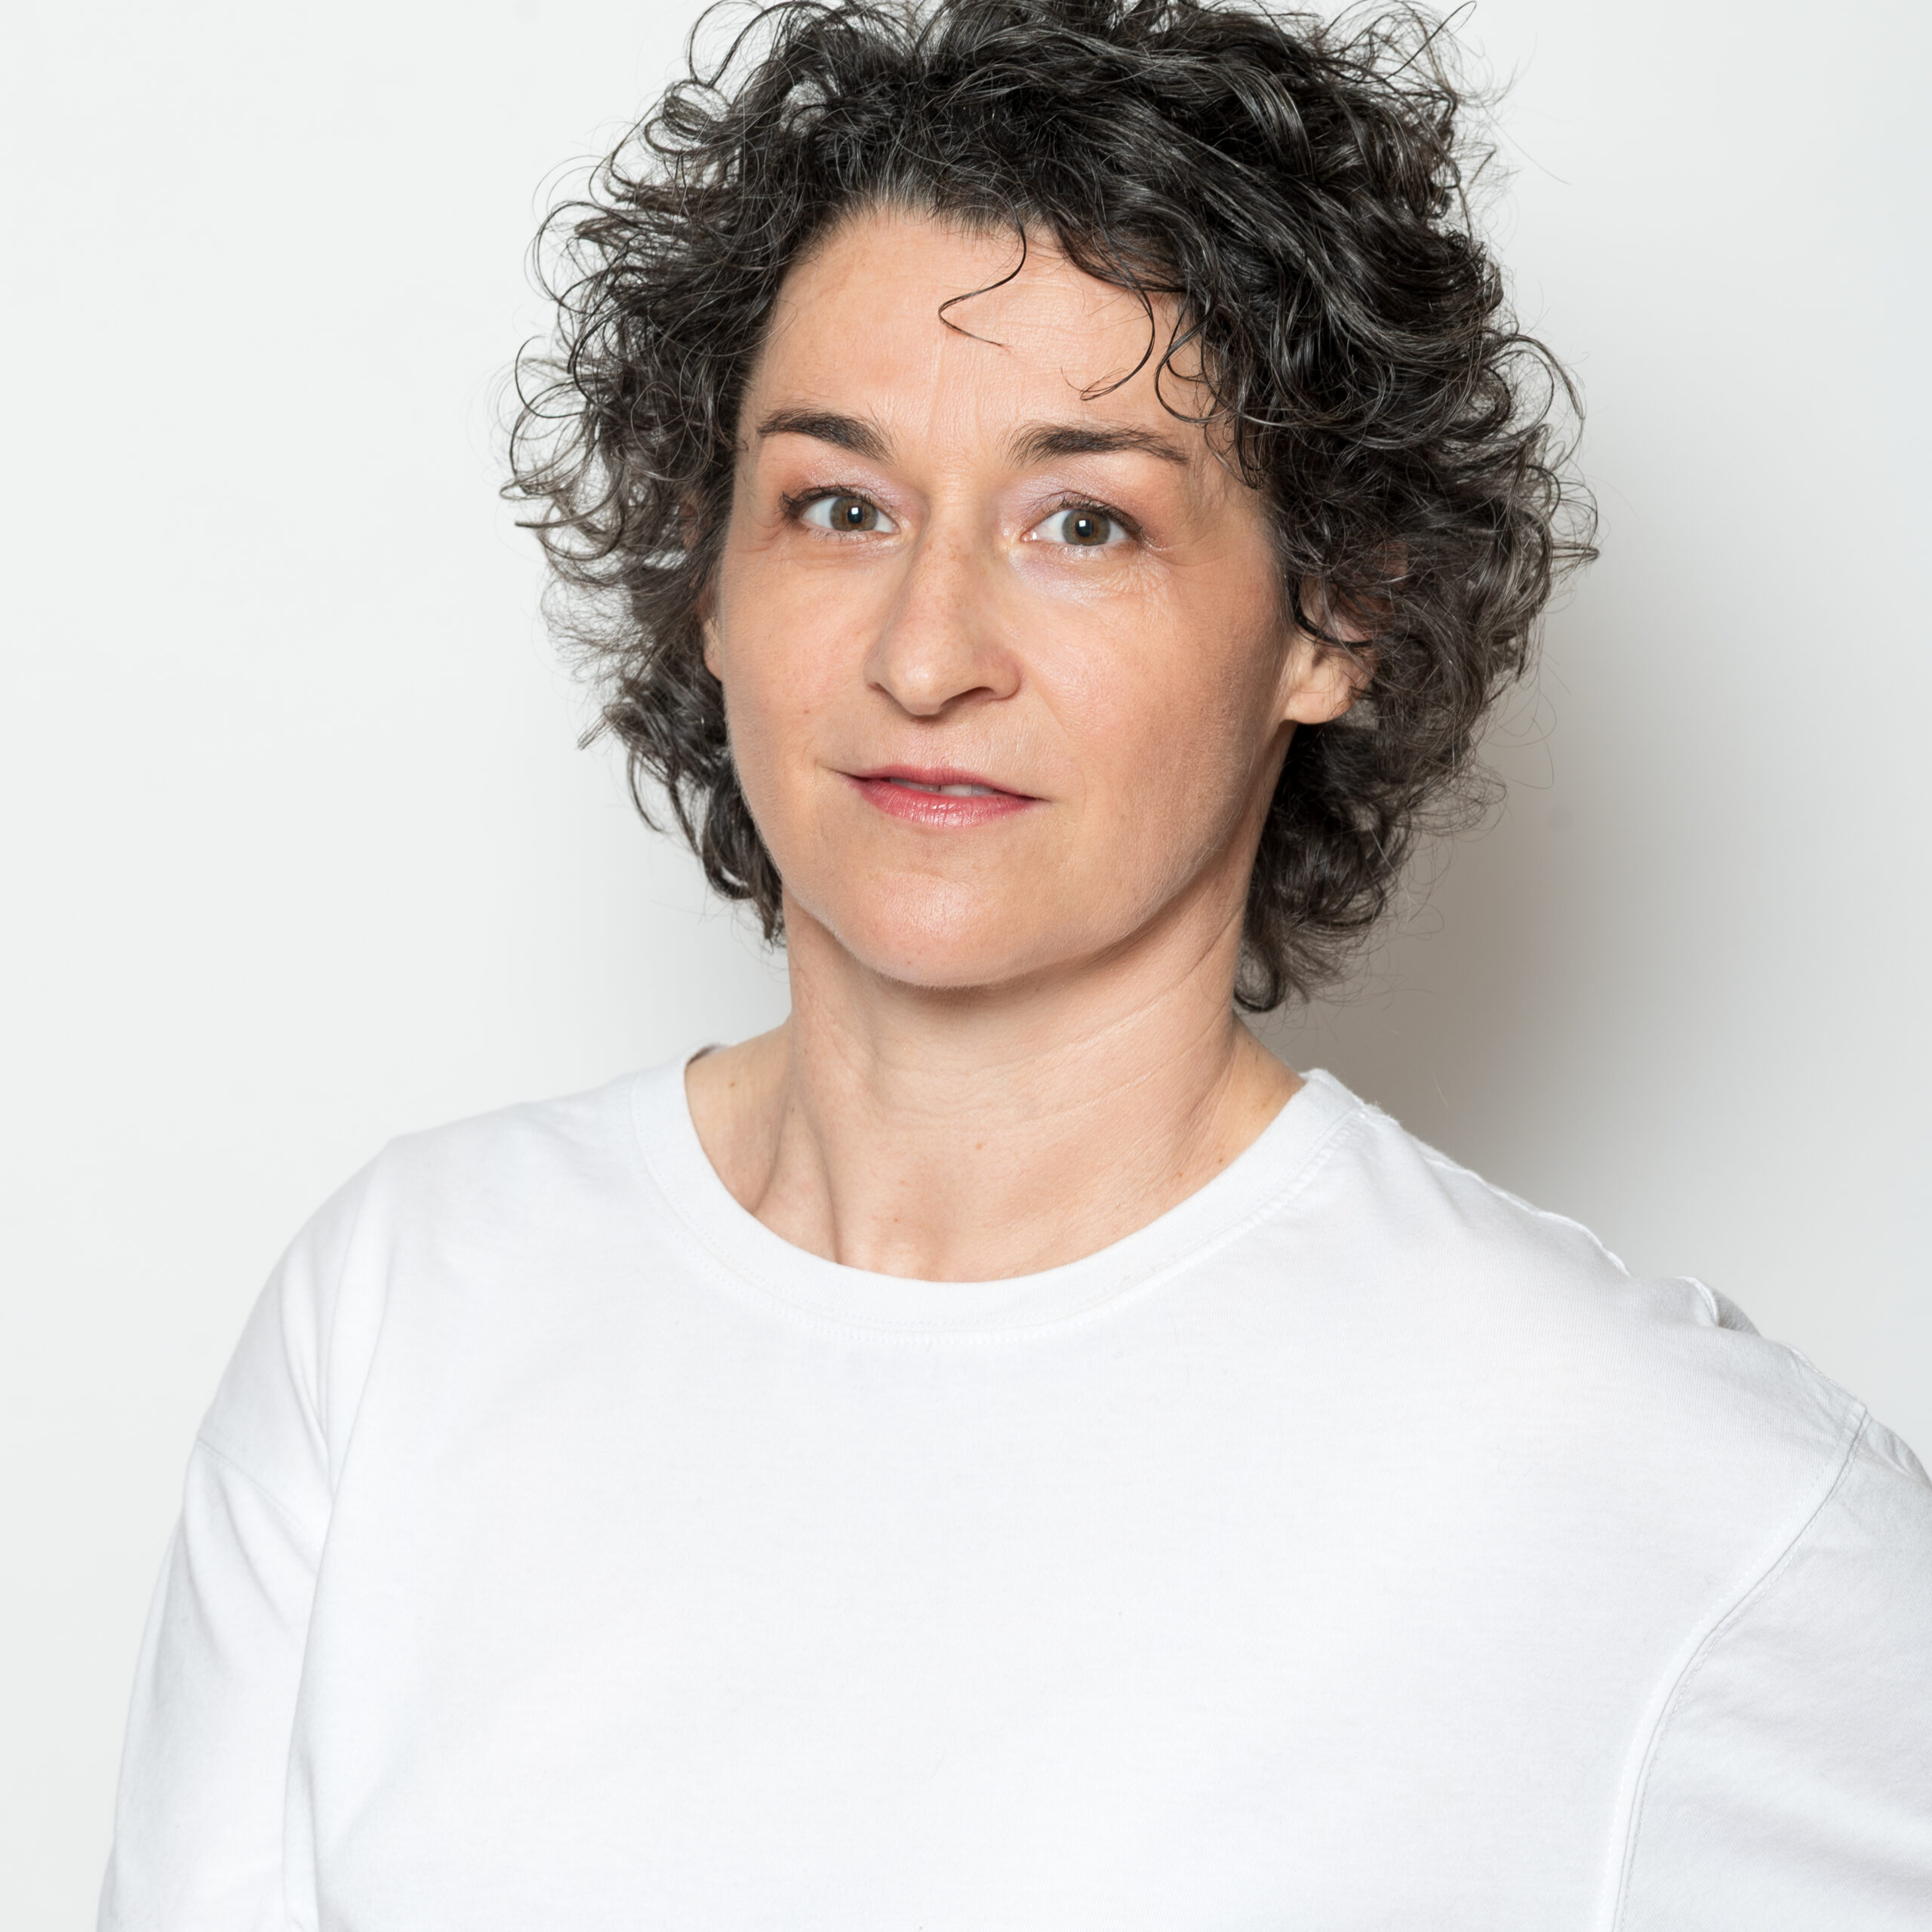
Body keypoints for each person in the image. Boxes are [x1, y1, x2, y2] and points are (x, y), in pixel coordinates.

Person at [98, 1, 1932, 1926]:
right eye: (838, 505)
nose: (925, 653)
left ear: (1331, 614)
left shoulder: (1647, 1482)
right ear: (708, 577)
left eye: (1083, 521)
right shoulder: (408, 1306)